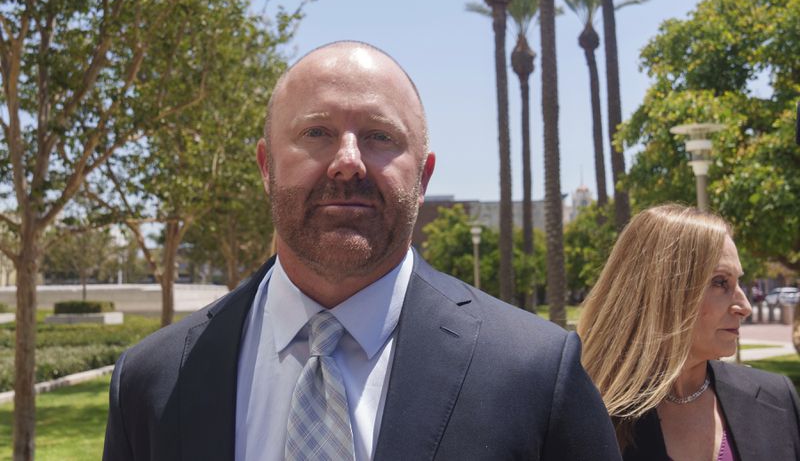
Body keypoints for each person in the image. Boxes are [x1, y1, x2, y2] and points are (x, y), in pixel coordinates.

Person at [103, 41, 620, 460]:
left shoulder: (535, 372)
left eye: (379, 136)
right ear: (266, 166)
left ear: (423, 177)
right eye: (316, 132)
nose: (347, 162)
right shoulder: (151, 381)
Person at [577, 204, 800, 460]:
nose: (745, 307)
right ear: (662, 292)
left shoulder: (775, 399)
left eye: (738, 282)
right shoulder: (586, 417)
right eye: (720, 282)